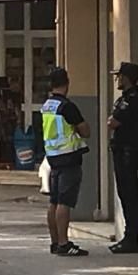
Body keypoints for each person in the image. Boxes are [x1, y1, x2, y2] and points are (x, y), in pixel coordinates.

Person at [41, 67, 91, 257]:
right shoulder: (67, 106)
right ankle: (64, 243)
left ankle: (55, 242)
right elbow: (85, 131)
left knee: (53, 201)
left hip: (53, 158)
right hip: (69, 158)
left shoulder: (47, 105)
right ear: (67, 83)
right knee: (64, 202)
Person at [108, 62, 138, 254]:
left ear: (126, 77)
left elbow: (113, 122)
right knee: (125, 194)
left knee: (130, 194)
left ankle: (132, 237)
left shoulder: (132, 100)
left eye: (120, 76)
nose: (118, 79)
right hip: (123, 151)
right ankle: (129, 236)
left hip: (128, 152)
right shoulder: (126, 98)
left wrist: (113, 121)